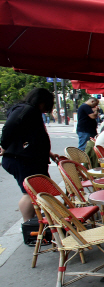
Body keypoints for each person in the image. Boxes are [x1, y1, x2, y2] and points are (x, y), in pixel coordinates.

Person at [0, 88, 59, 221]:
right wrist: (4, 145)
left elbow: (31, 138)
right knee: (29, 193)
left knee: (34, 192)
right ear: (43, 101)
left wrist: (48, 153)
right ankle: (28, 224)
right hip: (22, 160)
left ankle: (32, 222)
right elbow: (10, 127)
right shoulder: (27, 110)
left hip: (24, 159)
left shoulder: (27, 111)